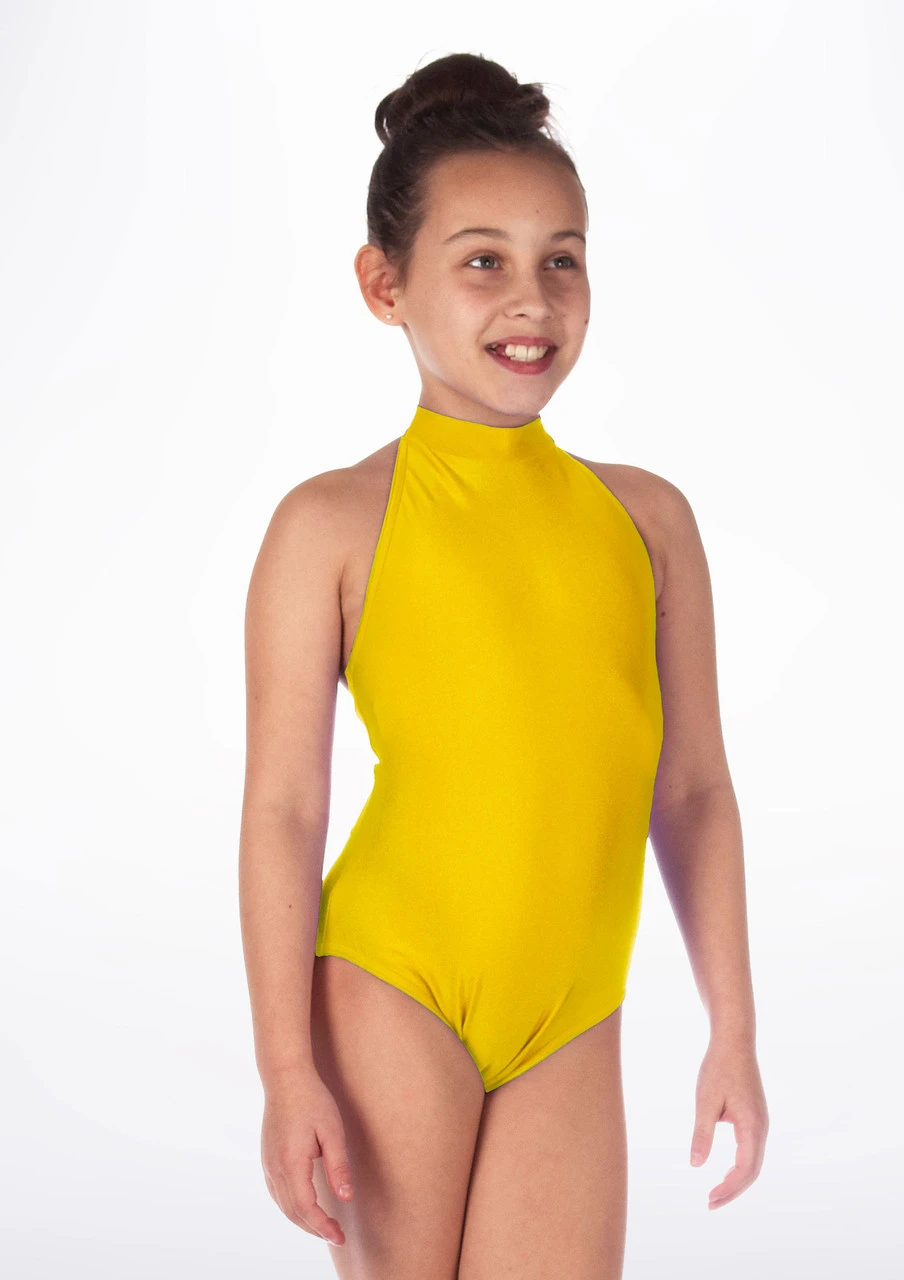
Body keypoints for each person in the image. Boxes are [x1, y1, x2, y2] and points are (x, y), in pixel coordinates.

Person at [239, 51, 768, 1279]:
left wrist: (732, 1028)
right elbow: (283, 807)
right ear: (384, 284)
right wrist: (285, 1067)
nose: (530, 299)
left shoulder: (647, 520)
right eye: (482, 260)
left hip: (571, 1014)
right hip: (392, 980)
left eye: (560, 259)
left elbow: (693, 789)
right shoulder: (331, 523)